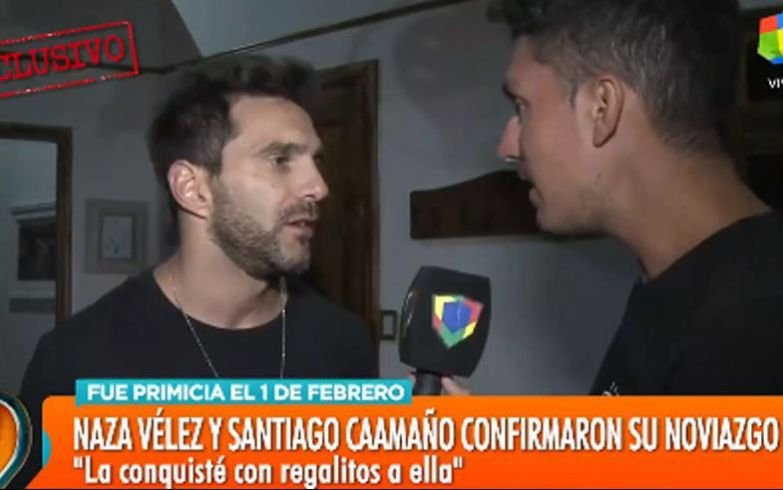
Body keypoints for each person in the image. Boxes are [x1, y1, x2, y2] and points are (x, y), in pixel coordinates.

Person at [12, 56, 378, 487]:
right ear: (193, 189)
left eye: (316, 161)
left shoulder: (343, 344)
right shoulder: (78, 362)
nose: (319, 186)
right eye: (281, 159)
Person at [497, 0, 783, 394]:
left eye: (522, 108)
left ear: (603, 108)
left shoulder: (748, 334)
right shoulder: (678, 287)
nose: (507, 146)